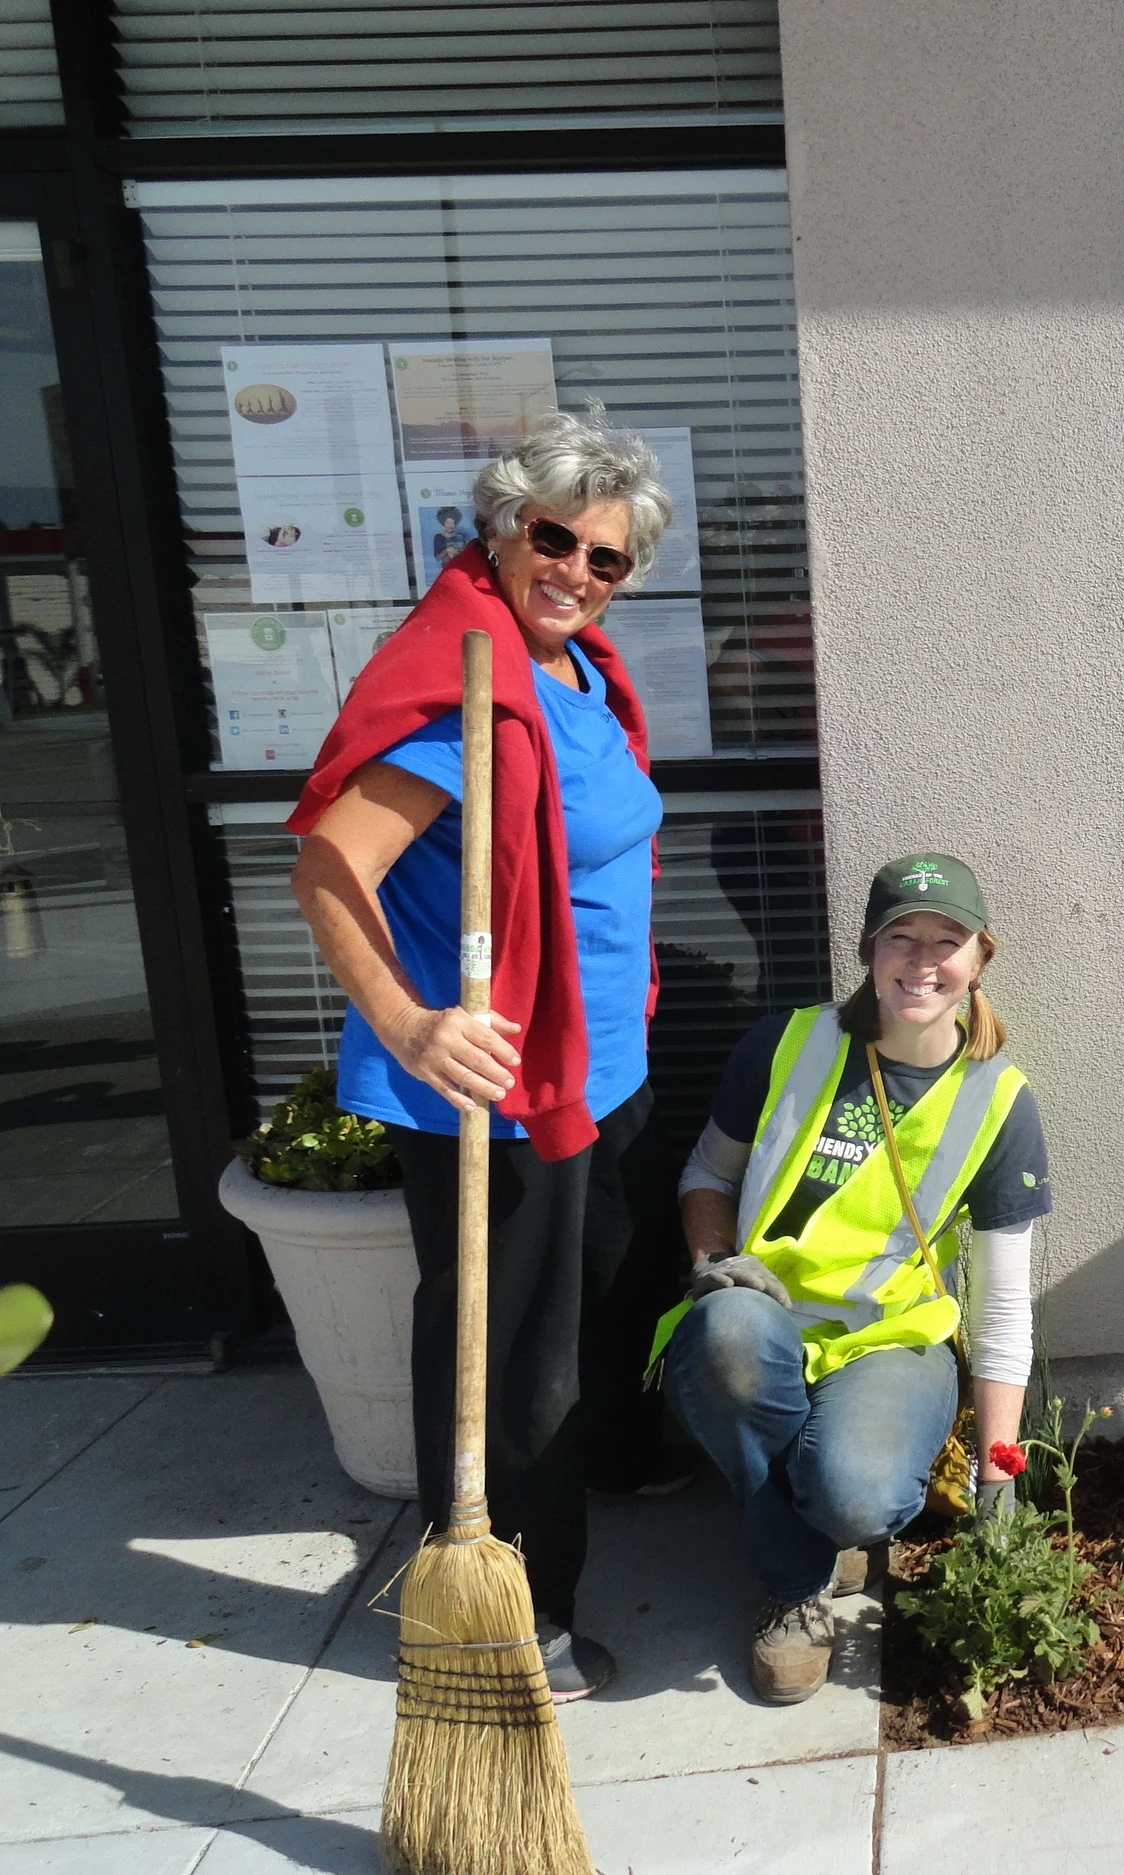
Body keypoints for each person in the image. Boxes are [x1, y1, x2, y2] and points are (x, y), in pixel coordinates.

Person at [289, 409, 673, 1702]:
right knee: (513, 1356)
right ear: (502, 527)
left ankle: (607, 1458)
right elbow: (329, 866)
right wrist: (411, 1023)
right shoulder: (457, 680)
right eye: (551, 537)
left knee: (606, 1283)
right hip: (495, 1089)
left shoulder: (575, 671)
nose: (573, 567)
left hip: (595, 1065)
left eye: (603, 555)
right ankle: (522, 1605)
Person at [647, 853, 1050, 1704]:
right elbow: (704, 1177)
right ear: (869, 950)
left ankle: (829, 1515)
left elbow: (1004, 1305)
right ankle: (794, 1588)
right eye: (901, 936)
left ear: (980, 958)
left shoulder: (999, 1100)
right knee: (725, 1335)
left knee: (862, 1496)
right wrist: (714, 1262)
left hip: (891, 1340)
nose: (923, 959)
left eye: (949, 940)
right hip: (764, 1321)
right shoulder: (784, 1045)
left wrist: (998, 1475)